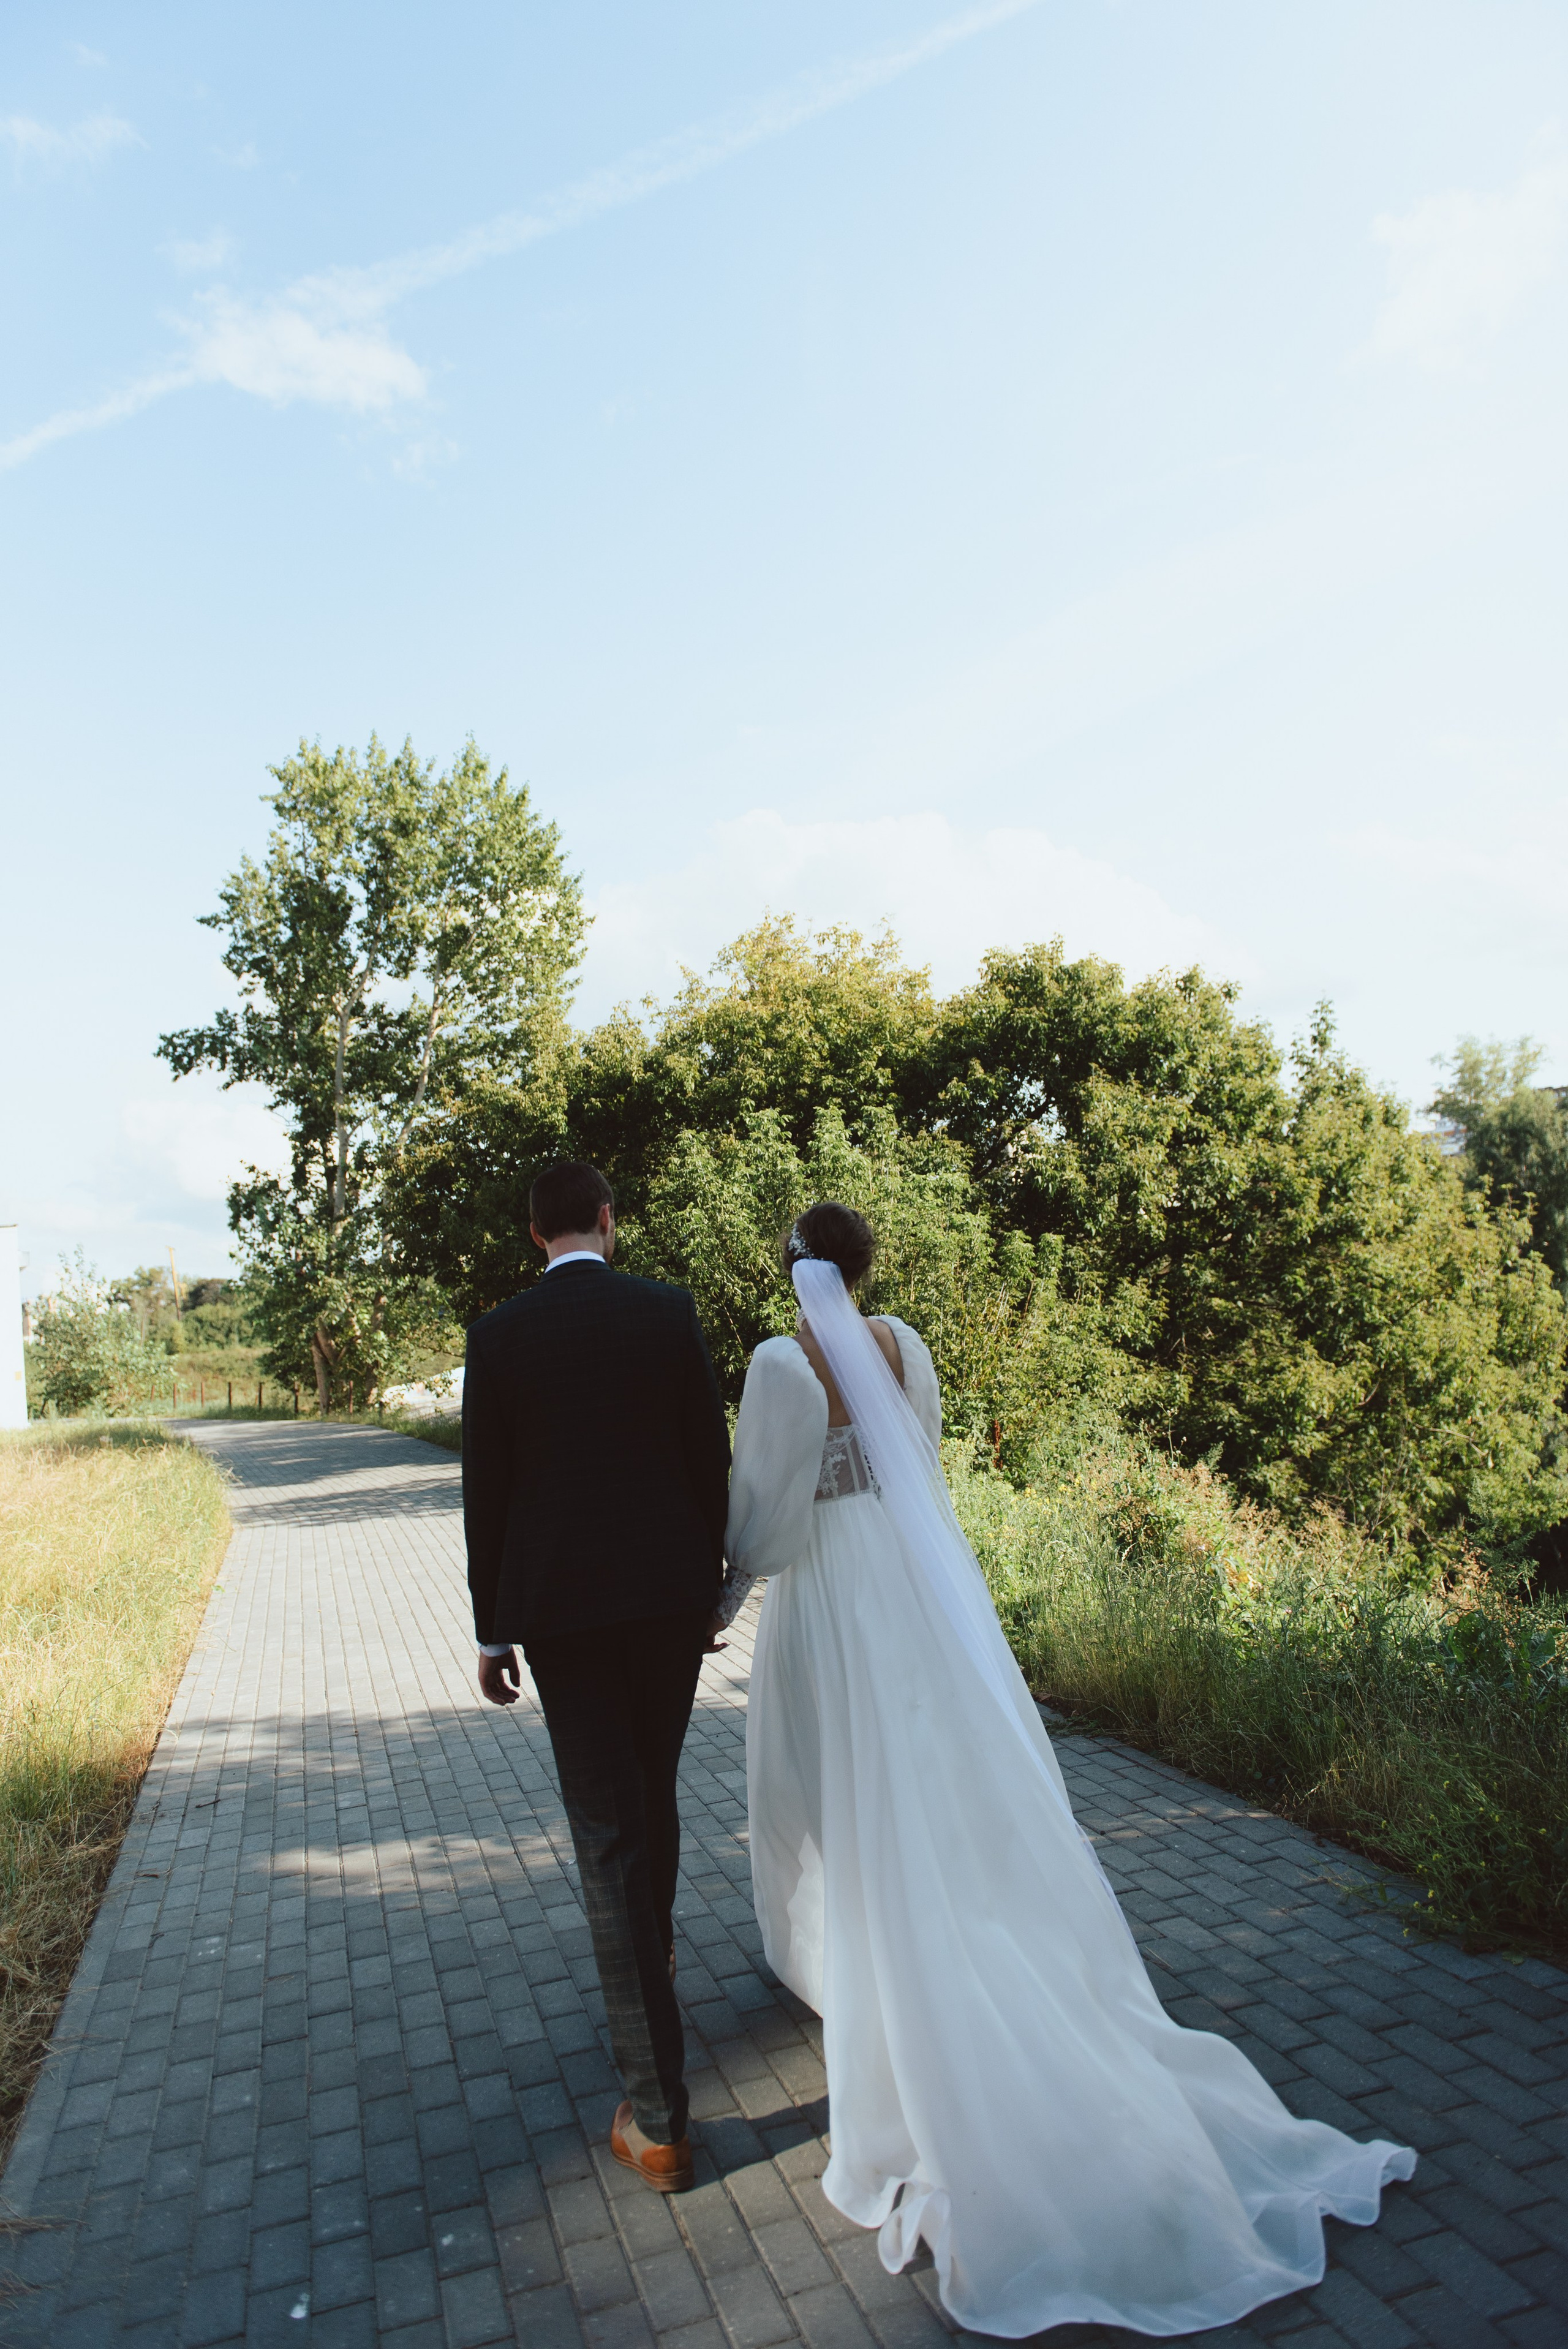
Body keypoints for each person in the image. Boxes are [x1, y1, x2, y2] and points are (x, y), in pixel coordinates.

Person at [722, 1199, 1416, 2339]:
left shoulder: (777, 1366)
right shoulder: (907, 1346)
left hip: (833, 1597)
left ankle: (869, 1975)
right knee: (931, 1779)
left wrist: (725, 1590)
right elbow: (920, 1466)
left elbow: (764, 1513)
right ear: (863, 1269)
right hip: (916, 1584)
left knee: (836, 1784)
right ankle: (947, 1934)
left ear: (794, 1271)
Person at [463, 1161, 729, 2194]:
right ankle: (651, 1977)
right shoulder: (668, 1313)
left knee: (611, 1832)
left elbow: (488, 1495)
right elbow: (709, 1459)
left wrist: (494, 1634)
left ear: (536, 1235)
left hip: (563, 1620)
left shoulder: (499, 1337)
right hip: (667, 1605)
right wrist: (711, 1592)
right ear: (608, 1222)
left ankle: (658, 2121)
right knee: (650, 1796)